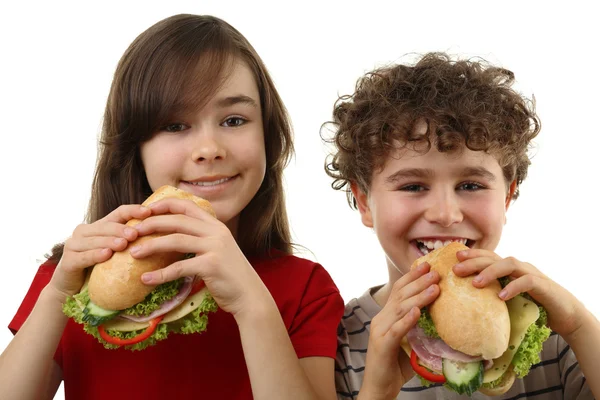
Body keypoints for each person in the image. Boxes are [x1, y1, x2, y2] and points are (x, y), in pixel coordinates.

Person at [0, 14, 344, 400]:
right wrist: (57, 296)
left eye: (233, 120)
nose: (209, 150)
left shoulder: (306, 289)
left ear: (268, 134)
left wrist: (251, 304)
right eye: (175, 126)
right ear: (135, 149)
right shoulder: (73, 278)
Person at [324, 52, 599, 399]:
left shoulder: (550, 328)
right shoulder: (341, 342)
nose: (445, 213)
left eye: (470, 185)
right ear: (364, 201)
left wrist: (579, 325)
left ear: (507, 196)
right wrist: (376, 392)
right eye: (412, 186)